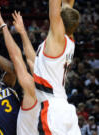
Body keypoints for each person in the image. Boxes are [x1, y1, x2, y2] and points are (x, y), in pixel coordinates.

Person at [12, 0, 81, 134]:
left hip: (52, 110)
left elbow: (54, 8)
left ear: (60, 21)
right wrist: (23, 32)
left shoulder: (57, 38)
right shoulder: (69, 39)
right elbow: (32, 58)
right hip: (65, 108)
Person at [0, 7, 39, 135]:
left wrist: (4, 27)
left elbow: (15, 56)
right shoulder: (54, 90)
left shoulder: (31, 91)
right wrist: (23, 33)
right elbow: (32, 59)